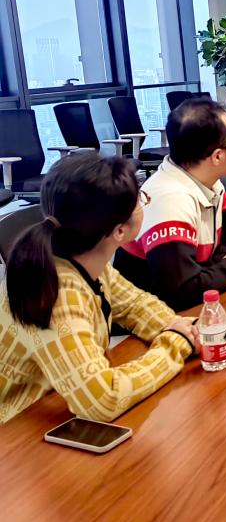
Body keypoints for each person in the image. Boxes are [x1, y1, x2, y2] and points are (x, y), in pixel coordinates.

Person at [0, 153, 200, 424]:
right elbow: (105, 399)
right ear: (119, 231)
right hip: (19, 432)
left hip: (59, 401)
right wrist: (175, 344)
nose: (143, 201)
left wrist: (177, 326)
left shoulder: (84, 256)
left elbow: (134, 305)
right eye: (140, 199)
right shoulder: (54, 291)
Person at [114, 99, 226, 310]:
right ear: (217, 156)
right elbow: (182, 291)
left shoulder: (210, 183)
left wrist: (210, 274)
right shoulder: (169, 202)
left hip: (199, 305)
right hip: (154, 319)